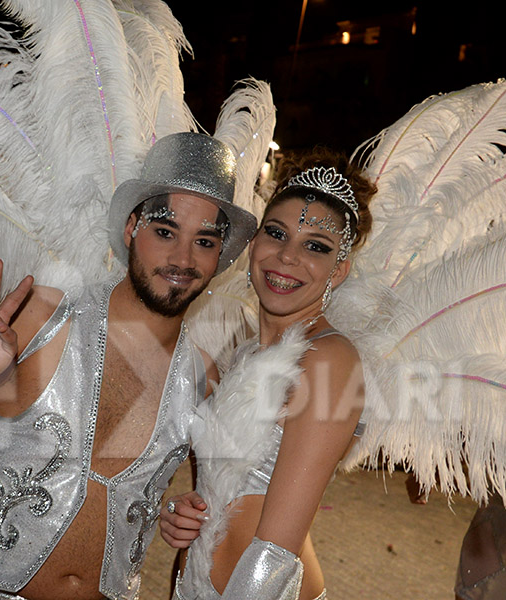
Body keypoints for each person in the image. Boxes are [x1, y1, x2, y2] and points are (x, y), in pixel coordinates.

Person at [0, 132, 258, 600]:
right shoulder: (44, 319)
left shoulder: (201, 379)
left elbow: (189, 505)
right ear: (131, 229)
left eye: (204, 241)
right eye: (165, 232)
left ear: (218, 260)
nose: (182, 259)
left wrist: (179, 514)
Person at [159, 149, 374, 600]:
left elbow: (275, 551)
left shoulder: (329, 361)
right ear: (253, 245)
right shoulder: (242, 355)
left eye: (316, 246)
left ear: (340, 270)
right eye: (276, 234)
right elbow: (221, 492)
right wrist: (186, 515)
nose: (288, 257)